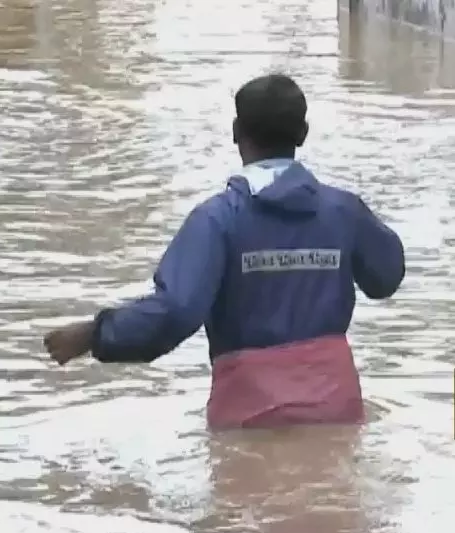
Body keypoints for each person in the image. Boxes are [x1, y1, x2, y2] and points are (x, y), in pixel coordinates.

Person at [43, 74, 405, 430]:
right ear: (303, 132)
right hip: (336, 410)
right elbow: (387, 277)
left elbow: (176, 312)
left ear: (236, 131)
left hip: (250, 411)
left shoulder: (217, 220)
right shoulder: (343, 212)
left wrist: (96, 334)